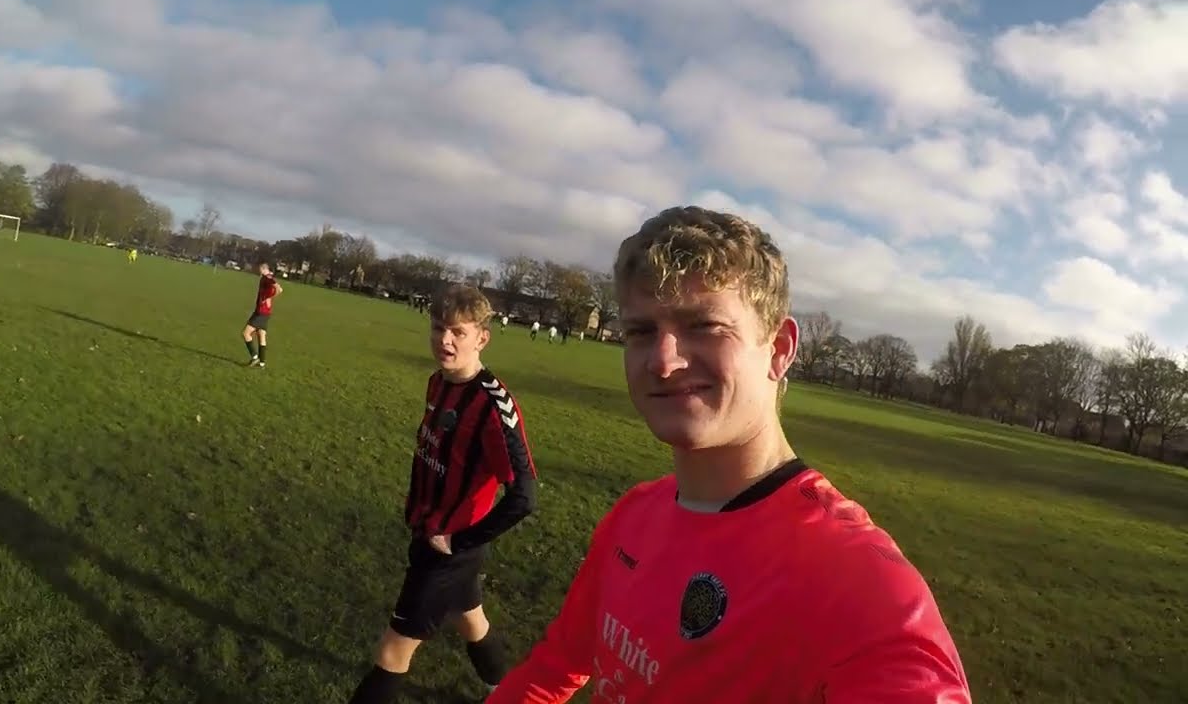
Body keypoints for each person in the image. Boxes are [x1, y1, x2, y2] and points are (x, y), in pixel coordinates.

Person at [487, 206, 970, 703]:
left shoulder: (859, 581)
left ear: (779, 349)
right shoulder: (633, 516)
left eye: (704, 325)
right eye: (641, 331)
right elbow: (552, 669)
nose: (663, 360)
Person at [349, 283, 539, 703]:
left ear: (482, 338)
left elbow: (524, 495)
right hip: (429, 533)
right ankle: (509, 694)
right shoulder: (438, 383)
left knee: (392, 650)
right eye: (438, 329)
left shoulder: (494, 406)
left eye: (458, 332)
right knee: (472, 621)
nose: (445, 340)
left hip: (449, 549)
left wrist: (459, 541)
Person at [242, 262, 281, 368]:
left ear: (264, 269)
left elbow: (279, 288)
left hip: (261, 312)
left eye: (260, 269)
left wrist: (269, 297)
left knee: (245, 333)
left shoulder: (266, 278)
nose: (259, 272)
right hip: (265, 313)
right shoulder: (267, 277)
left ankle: (255, 357)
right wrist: (270, 297)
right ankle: (262, 363)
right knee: (261, 335)